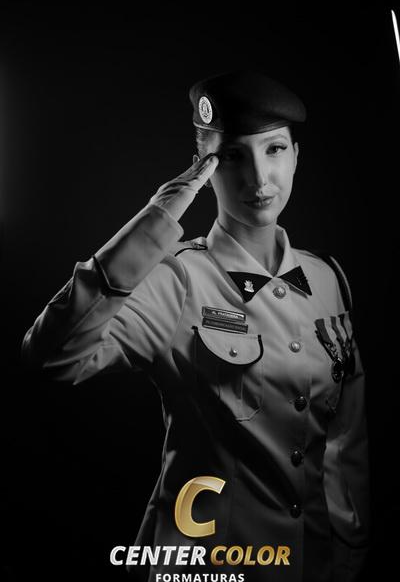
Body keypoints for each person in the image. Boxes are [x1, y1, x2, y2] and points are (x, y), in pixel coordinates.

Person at [21, 69, 370, 581]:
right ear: (203, 167)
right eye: (232, 156)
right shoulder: (178, 280)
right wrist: (159, 216)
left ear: (296, 155)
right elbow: (52, 356)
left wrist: (350, 552)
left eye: (274, 149)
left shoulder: (326, 280)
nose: (258, 178)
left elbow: (346, 437)